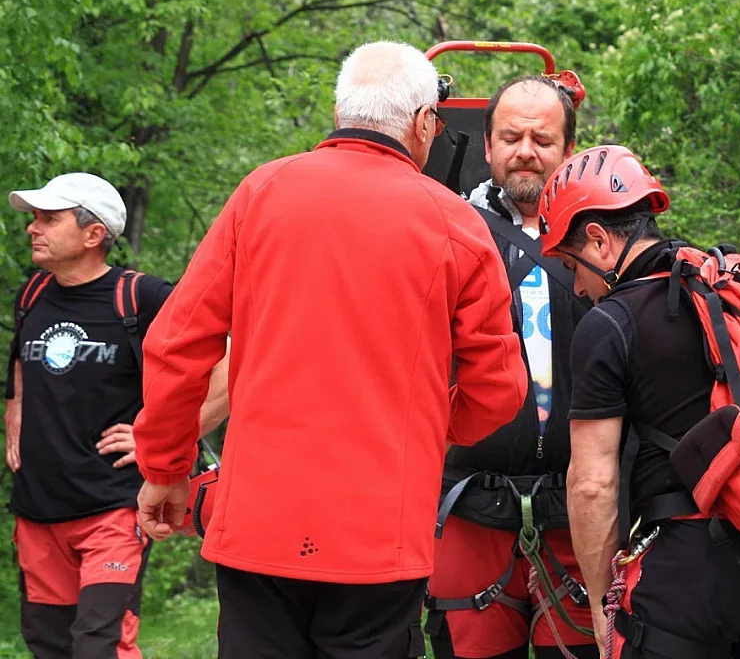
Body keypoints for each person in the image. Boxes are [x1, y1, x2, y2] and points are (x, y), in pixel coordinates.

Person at [131, 40, 528, 658]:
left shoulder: (261, 193)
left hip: (259, 526)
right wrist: (429, 426)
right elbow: (498, 390)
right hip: (380, 536)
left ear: (340, 112)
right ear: (424, 123)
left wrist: (165, 467)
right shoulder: (455, 223)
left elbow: (177, 345)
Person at [539, 145, 740, 658]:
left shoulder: (609, 324)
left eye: (570, 264)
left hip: (688, 587)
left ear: (599, 241)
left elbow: (592, 485)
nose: (577, 288)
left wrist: (603, 608)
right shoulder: (726, 288)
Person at [4, 172, 228, 659]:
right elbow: (20, 363)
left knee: (99, 645)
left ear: (93, 234)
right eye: (35, 218)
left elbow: (230, 367)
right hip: (37, 509)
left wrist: (166, 436)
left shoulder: (142, 298)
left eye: (49, 219)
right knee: (47, 645)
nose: (32, 228)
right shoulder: (32, 295)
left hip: (113, 506)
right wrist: (14, 413)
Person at [425, 76, 597, 659]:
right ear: (488, 145)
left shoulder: (604, 238)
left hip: (578, 507)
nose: (526, 151)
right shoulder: (444, 229)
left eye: (542, 140)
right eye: (511, 138)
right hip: (467, 503)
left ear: (568, 149)